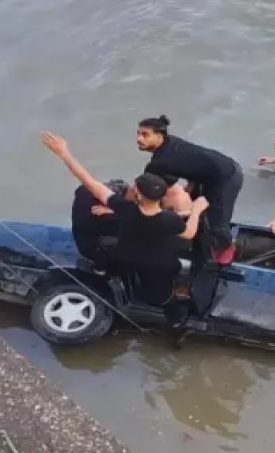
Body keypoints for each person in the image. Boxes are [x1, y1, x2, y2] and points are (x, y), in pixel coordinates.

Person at [42, 130, 209, 319]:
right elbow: (189, 234)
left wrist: (64, 153)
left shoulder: (124, 209)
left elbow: (88, 181)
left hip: (124, 255)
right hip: (155, 264)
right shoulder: (169, 220)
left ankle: (102, 272)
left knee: (107, 259)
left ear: (137, 195)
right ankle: (174, 315)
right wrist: (196, 210)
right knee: (162, 292)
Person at [136, 115, 243, 263]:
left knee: (217, 224)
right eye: (138, 134)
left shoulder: (160, 162)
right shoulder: (171, 142)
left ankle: (228, 248)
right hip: (211, 172)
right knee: (198, 211)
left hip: (226, 177)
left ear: (160, 136)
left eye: (145, 135)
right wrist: (191, 186)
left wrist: (122, 207)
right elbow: (191, 162)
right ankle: (200, 236)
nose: (139, 139)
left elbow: (144, 192)